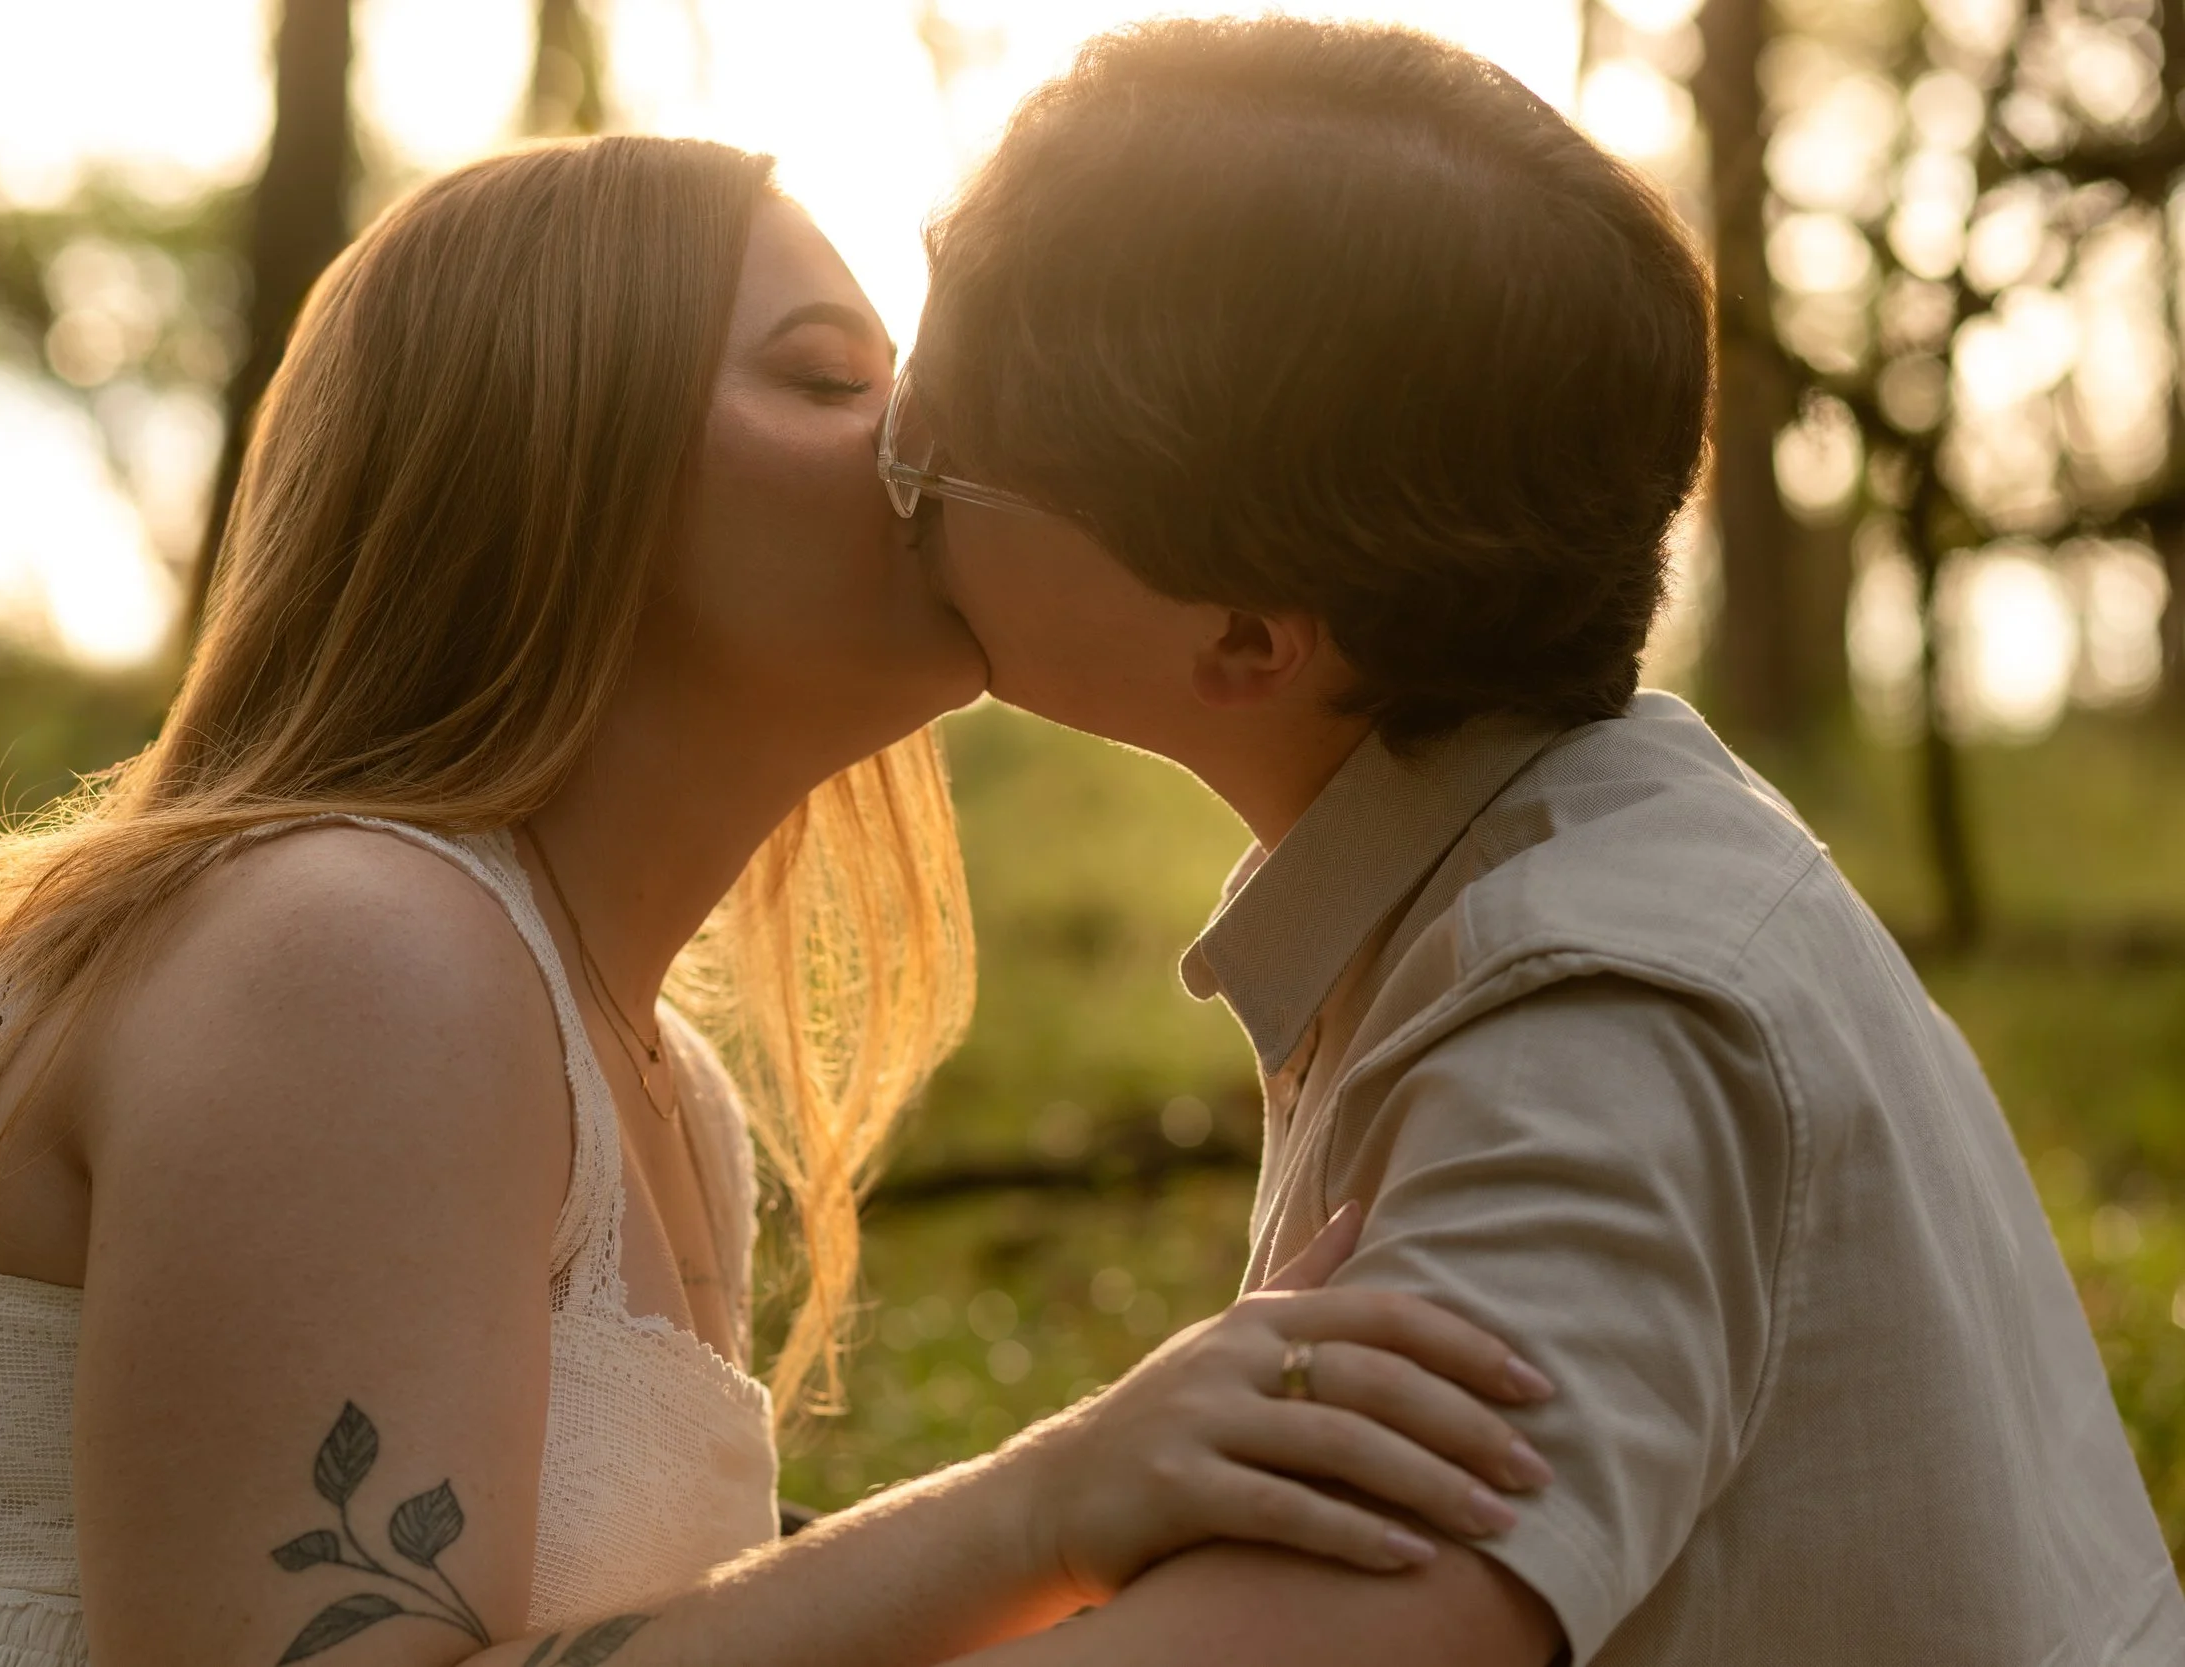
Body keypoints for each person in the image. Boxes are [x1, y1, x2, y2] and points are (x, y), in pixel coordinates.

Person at [0, 137, 1563, 1667]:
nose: (932, 438)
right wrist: (1041, 1503)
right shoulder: (352, 947)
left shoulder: (664, 1091)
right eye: (830, 378)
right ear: (548, 468)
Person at [884, 16, 2185, 1666]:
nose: (889, 491)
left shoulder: (1596, 1026)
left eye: (935, 463)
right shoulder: (1579, 866)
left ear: (1243, 639)